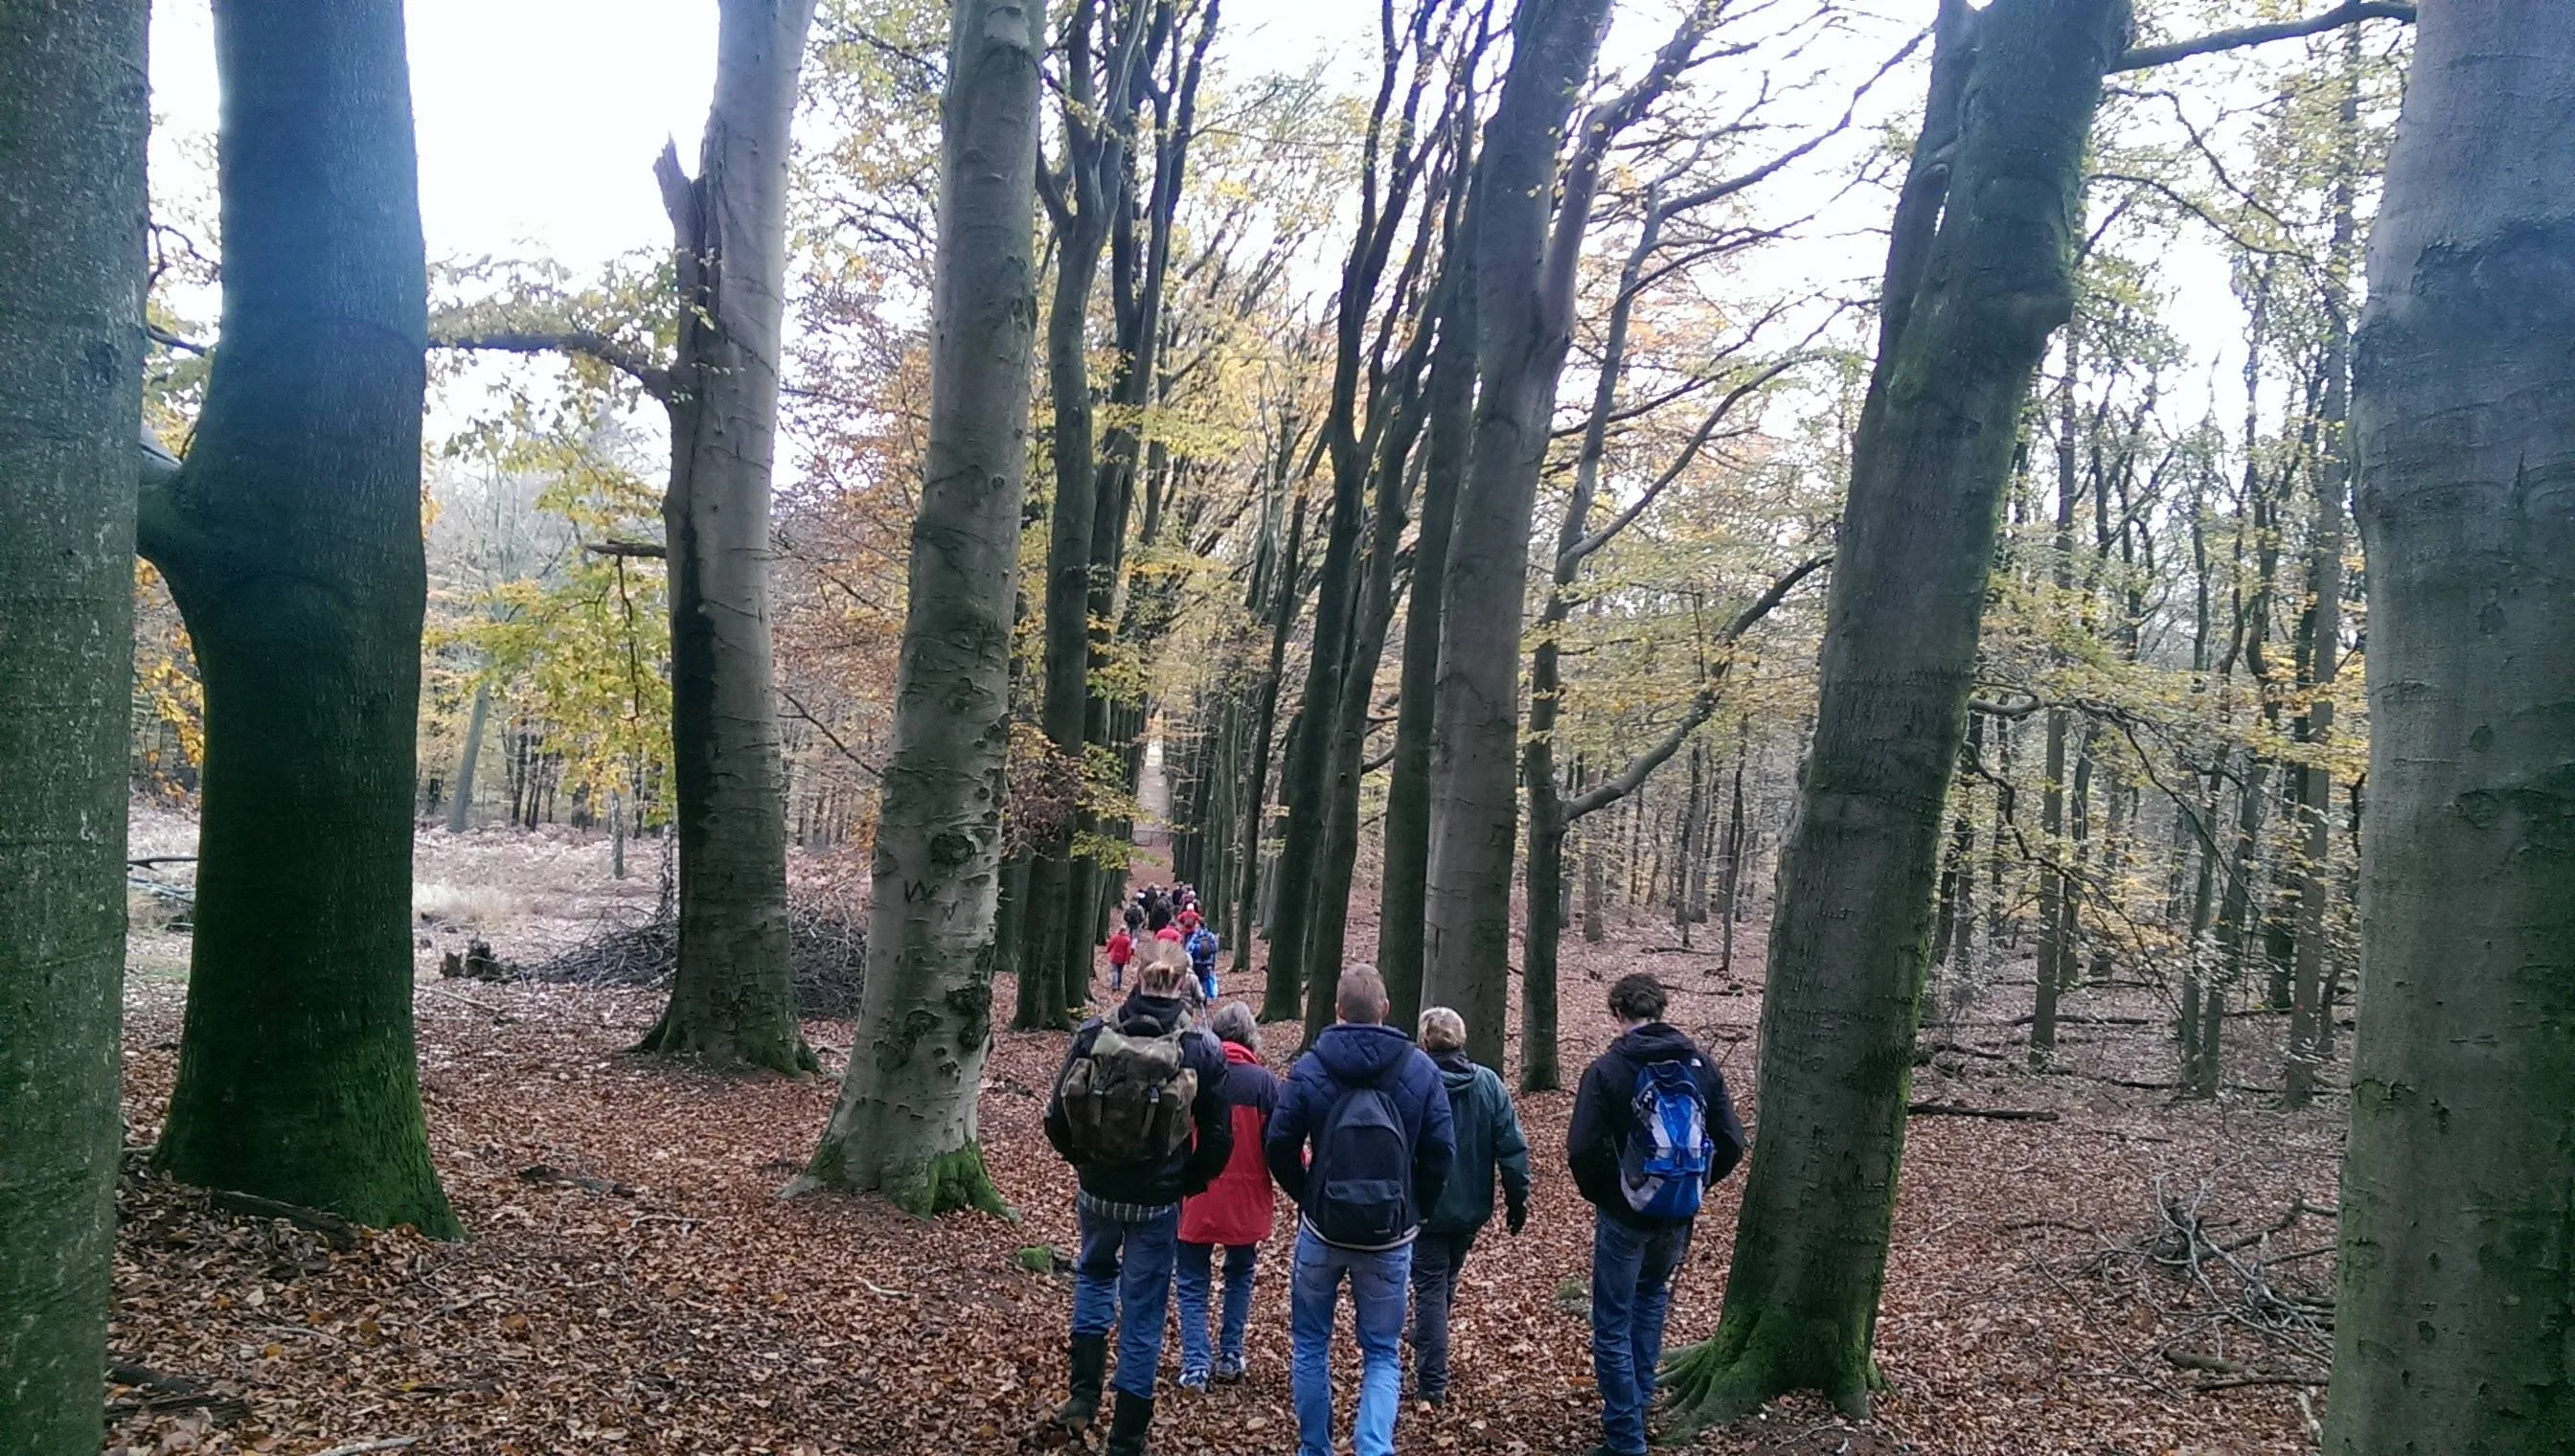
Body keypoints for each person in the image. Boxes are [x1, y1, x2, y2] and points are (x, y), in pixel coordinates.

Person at [1042, 952, 1235, 1456]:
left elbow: (1056, 1117)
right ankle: (1127, 1436)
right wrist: (1185, 1182)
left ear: (1139, 977)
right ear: (1183, 984)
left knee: (1093, 1275)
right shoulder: (1201, 1048)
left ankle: (1083, 1396)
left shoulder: (1093, 1033)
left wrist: (1084, 1162)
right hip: (1157, 1201)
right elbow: (1219, 1137)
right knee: (1144, 1310)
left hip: (1097, 1190)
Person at [1265, 967, 1455, 1456]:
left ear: (1338, 1010)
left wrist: (1307, 1194)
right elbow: (1441, 1152)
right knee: (1383, 1353)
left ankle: (1315, 1448)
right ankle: (1373, 1448)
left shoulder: (1310, 1067)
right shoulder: (1420, 1069)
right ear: (1385, 1009)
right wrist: (1417, 1209)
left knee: (1311, 1343)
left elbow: (1279, 1143)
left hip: (1322, 1230)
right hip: (1390, 1234)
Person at [1566, 973, 1745, 1456]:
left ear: (1618, 1014)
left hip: (1624, 1218)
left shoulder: (1607, 1069)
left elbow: (1582, 1148)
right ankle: (1638, 1409)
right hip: (1677, 1215)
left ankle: (1626, 1438)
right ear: (1661, 1009)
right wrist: (1694, 1185)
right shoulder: (1700, 1066)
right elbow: (1732, 1141)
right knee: (1649, 1304)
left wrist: (1614, 1195)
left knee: (1611, 1321)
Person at [1408, 1006, 1531, 1405]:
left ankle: (1432, 1379)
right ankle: (1429, 1341)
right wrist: (1517, 1200)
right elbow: (1512, 1149)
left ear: (1424, 1042)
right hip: (1469, 1208)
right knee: (1443, 1280)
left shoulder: (1412, 1082)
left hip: (1424, 1206)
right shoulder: (1488, 1084)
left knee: (1431, 1286)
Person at [1174, 1001, 1280, 1389]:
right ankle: (1231, 1354)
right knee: (1240, 1273)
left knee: (1191, 1279)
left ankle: (1195, 1363)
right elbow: (1278, 1144)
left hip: (1198, 1192)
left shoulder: (1196, 1076)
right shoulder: (1265, 1083)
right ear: (1251, 1036)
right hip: (1246, 1199)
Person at [1179, 910, 1219, 1001]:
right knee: (1206, 979)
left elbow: (1189, 947)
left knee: (1197, 978)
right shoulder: (1211, 935)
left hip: (1197, 961)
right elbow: (1215, 948)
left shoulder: (1195, 935)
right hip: (1208, 962)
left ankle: (1197, 996)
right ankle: (1205, 997)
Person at [1105, 921, 1135, 993]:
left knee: (1114, 971)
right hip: (1122, 959)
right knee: (1120, 971)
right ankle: (1118, 985)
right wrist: (1128, 959)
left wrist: (1107, 950)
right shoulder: (1127, 939)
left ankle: (1114, 985)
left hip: (1114, 957)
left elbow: (1110, 944)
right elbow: (1128, 951)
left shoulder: (1115, 937)